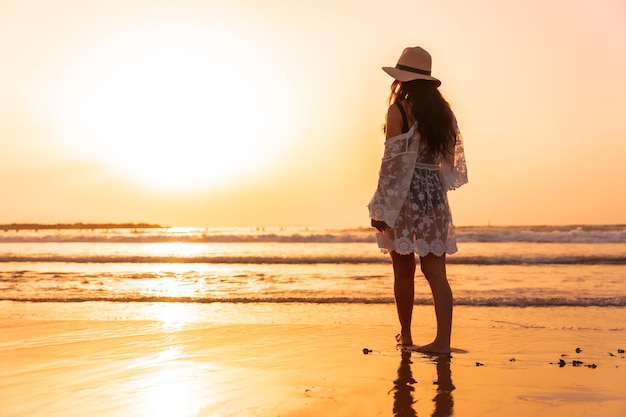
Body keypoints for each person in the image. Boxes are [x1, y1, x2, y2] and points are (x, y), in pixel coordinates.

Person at [368, 46, 468, 354]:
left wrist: (381, 205)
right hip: (434, 194)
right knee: (436, 272)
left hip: (404, 196)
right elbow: (448, 162)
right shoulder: (444, 114)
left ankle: (407, 334)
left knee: (403, 269)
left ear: (403, 79)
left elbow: (393, 164)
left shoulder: (398, 110)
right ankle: (443, 341)